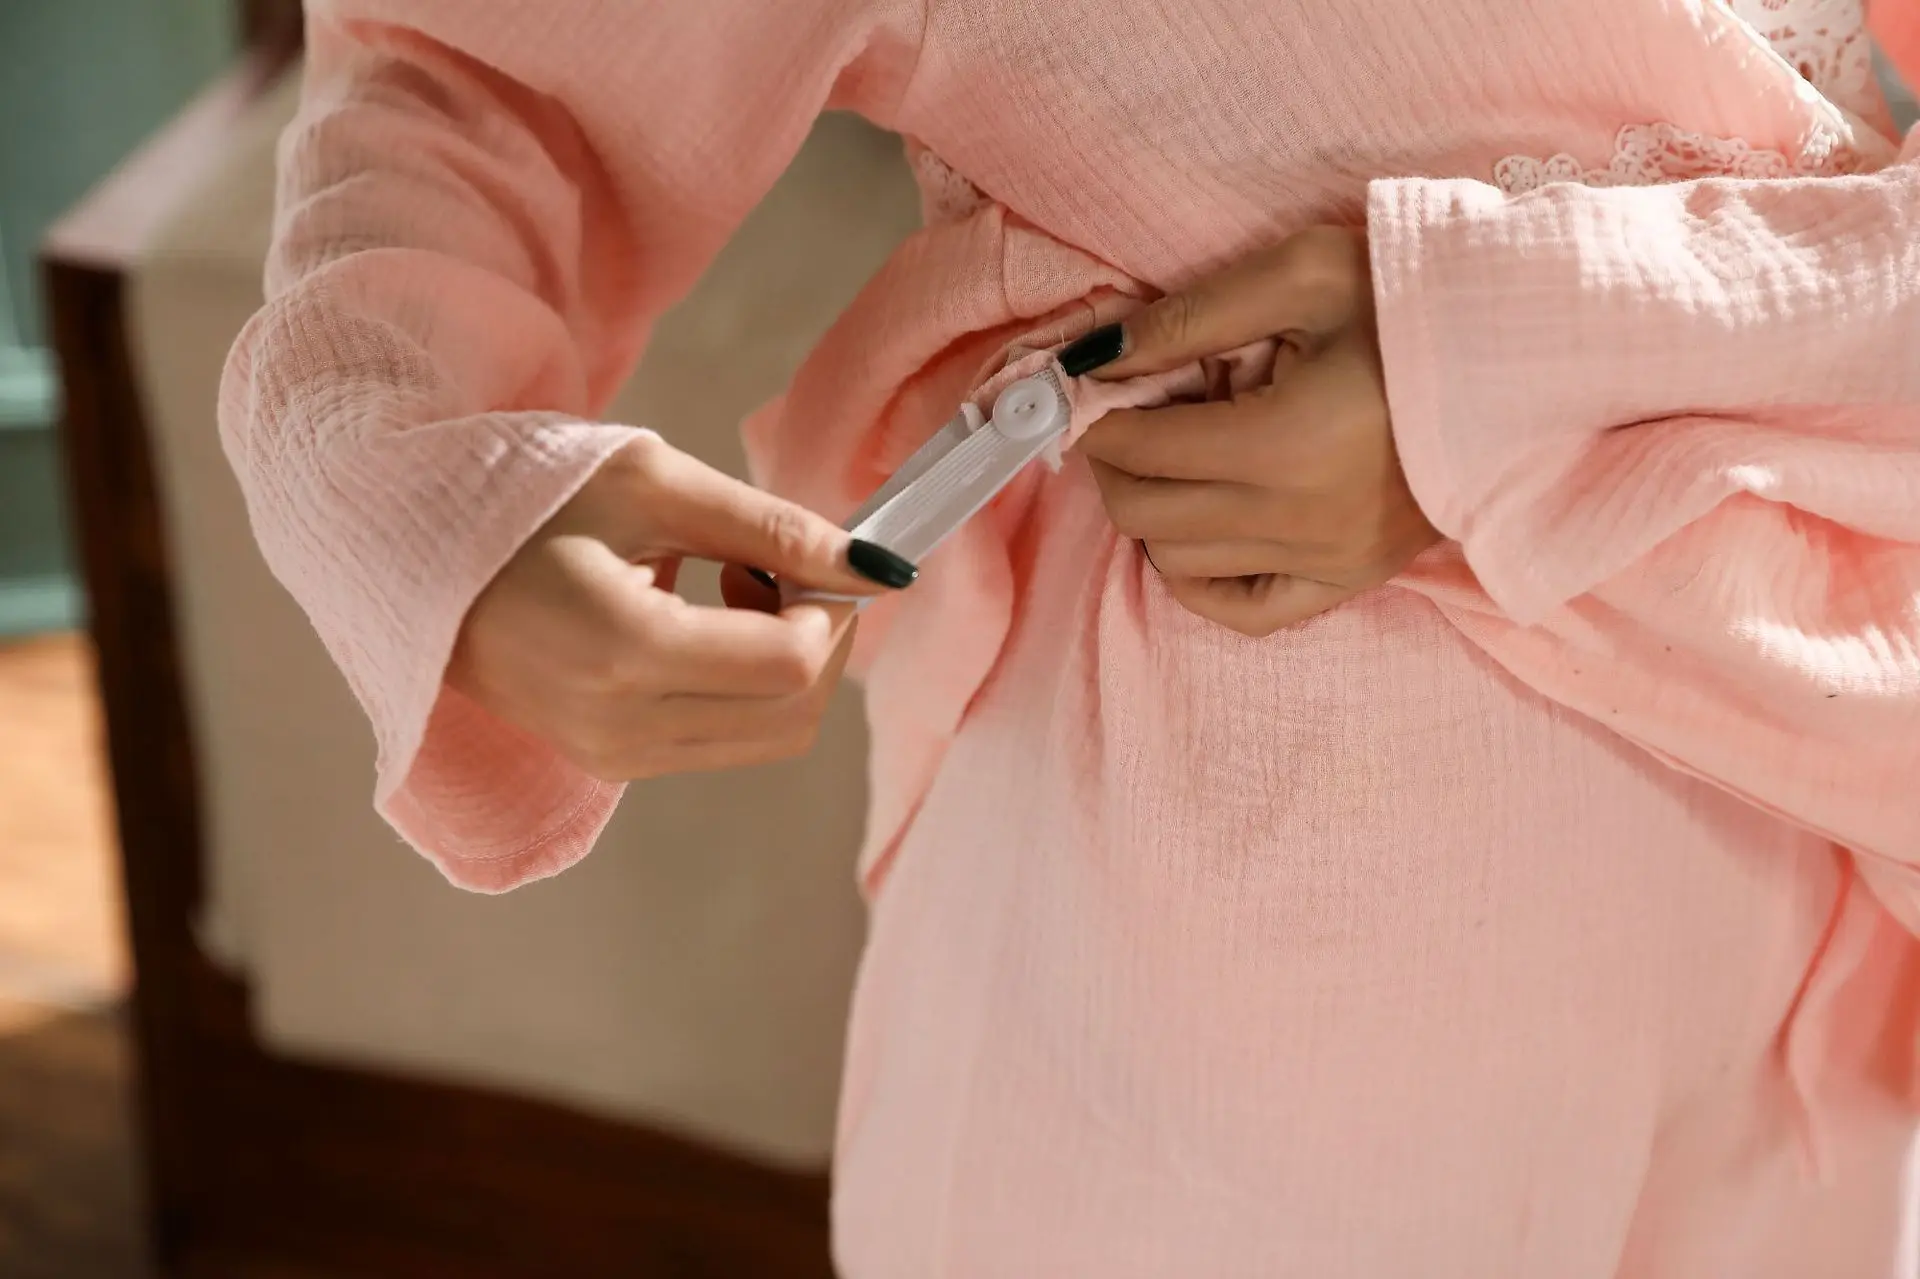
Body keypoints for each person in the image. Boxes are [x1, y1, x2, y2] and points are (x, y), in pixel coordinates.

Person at [218, 0, 1920, 1273]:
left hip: (1826, 843)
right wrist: (416, 479)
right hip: (1245, 959)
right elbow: (481, 78)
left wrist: (1490, 345)